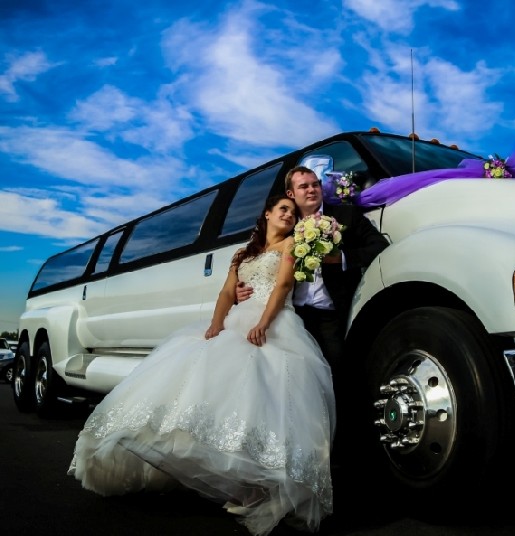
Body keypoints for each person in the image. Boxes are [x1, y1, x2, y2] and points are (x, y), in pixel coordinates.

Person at [68, 195, 336, 536]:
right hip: (237, 320)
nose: (288, 214)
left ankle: (260, 487)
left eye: (293, 212)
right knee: (216, 391)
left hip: (273, 321)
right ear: (267, 213)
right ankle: (238, 483)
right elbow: (226, 293)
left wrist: (263, 324)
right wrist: (216, 324)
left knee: (266, 399)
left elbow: (283, 285)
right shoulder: (242, 254)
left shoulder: (290, 246)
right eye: (282, 209)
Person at [236, 165, 389, 372]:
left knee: (337, 373)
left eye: (315, 184)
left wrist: (341, 258)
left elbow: (379, 246)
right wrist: (241, 289)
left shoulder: (346, 215)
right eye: (304, 186)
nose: (311, 190)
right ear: (291, 194)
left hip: (330, 315)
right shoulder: (285, 225)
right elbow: (261, 262)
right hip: (289, 316)